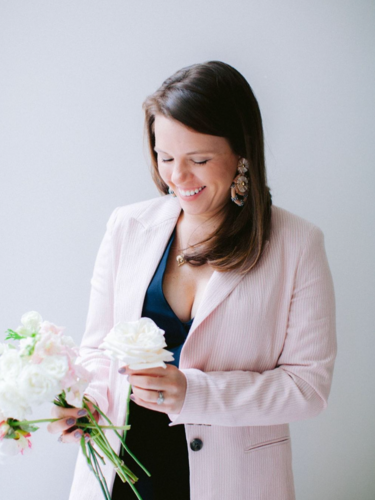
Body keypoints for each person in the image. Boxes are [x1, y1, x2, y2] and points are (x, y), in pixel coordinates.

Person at [48, 61, 337, 500]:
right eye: (165, 158)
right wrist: (83, 403)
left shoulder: (297, 244)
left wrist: (194, 393)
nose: (177, 178)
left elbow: (308, 388)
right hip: (119, 473)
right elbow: (96, 351)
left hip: (234, 482)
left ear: (242, 154)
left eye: (199, 160)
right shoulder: (126, 225)